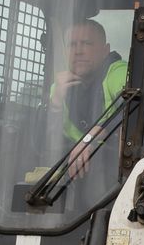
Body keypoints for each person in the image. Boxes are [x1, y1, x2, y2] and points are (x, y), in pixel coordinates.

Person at [48, 19, 127, 177]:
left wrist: (89, 139)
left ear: (105, 50)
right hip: (71, 173)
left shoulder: (118, 73)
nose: (78, 51)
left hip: (115, 172)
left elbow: (131, 106)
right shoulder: (59, 88)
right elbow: (44, 141)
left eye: (86, 43)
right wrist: (55, 103)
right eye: (72, 45)